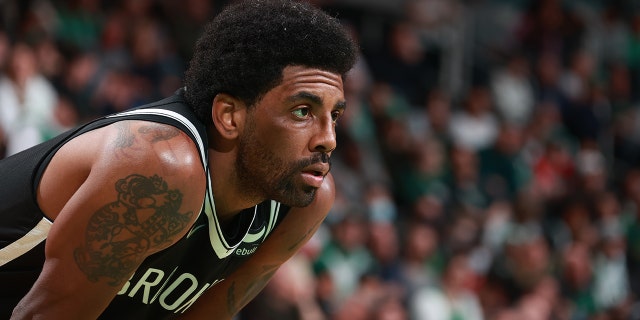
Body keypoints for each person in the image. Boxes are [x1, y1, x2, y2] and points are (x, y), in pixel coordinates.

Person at [0, 0, 358, 318]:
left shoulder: (304, 200)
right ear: (230, 116)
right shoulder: (161, 166)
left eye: (335, 116)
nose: (328, 139)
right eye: (301, 111)